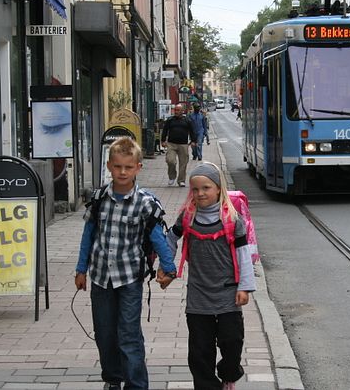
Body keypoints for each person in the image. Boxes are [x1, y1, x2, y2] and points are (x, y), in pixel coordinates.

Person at [74, 137, 178, 390]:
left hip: (130, 278)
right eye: (118, 166)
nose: (122, 172)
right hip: (100, 278)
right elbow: (88, 235)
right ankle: (112, 379)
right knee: (104, 333)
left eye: (128, 167)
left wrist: (169, 268)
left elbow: (158, 238)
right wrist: (80, 269)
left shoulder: (145, 203)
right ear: (109, 166)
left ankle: (136, 384)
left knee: (129, 335)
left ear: (138, 168)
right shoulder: (99, 198)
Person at [164, 162, 257, 390]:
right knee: (199, 350)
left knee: (232, 342)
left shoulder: (232, 220)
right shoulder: (187, 216)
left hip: (228, 292)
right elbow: (170, 238)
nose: (200, 193)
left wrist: (244, 287)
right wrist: (166, 268)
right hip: (198, 294)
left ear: (218, 189)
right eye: (195, 190)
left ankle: (228, 374)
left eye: (206, 188)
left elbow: (244, 254)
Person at [161, 104, 197, 187]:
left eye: (178, 110)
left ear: (182, 111)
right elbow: (165, 130)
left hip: (183, 145)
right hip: (171, 144)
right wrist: (163, 141)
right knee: (170, 161)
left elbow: (192, 131)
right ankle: (172, 176)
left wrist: (193, 141)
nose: (176, 112)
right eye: (175, 110)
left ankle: (181, 180)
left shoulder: (187, 120)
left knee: (183, 163)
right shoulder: (170, 120)